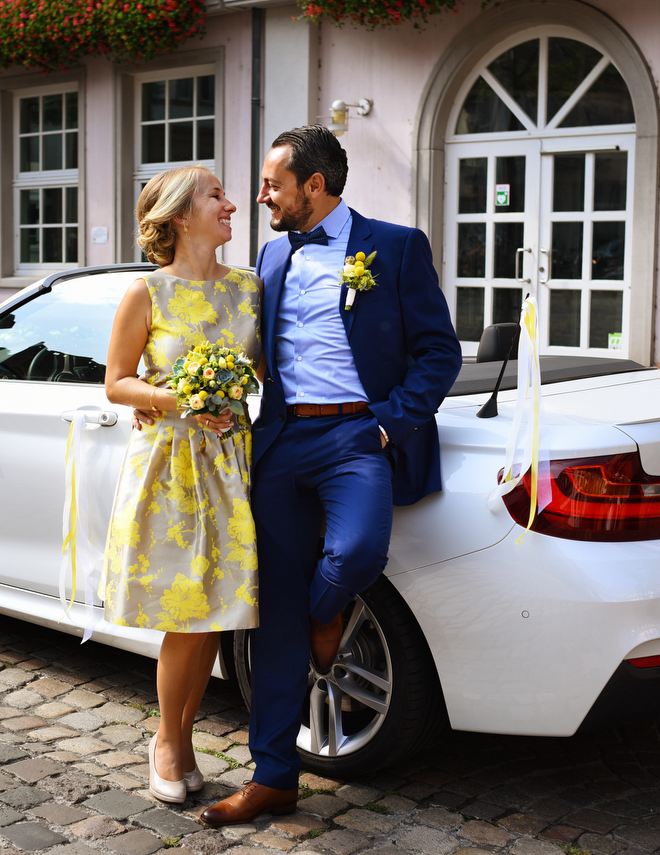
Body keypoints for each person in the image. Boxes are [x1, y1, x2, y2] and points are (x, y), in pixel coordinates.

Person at [200, 126, 463, 826]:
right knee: (274, 614)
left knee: (355, 553)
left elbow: (439, 353)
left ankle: (329, 610)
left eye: (272, 185)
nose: (262, 196)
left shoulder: (397, 247)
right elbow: (262, 350)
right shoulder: (271, 253)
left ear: (313, 186)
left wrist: (388, 421)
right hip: (282, 437)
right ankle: (273, 776)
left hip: (356, 434)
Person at [102, 165, 262, 805]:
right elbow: (117, 382)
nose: (230, 204)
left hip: (234, 462)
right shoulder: (147, 293)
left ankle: (179, 739)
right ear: (178, 216)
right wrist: (177, 398)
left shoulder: (250, 288)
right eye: (215, 195)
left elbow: (272, 369)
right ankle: (169, 742)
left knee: (218, 613)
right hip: (172, 469)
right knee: (188, 616)